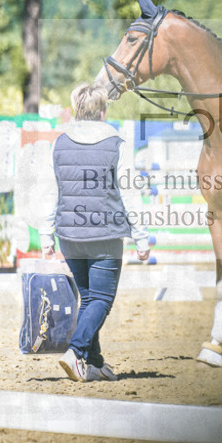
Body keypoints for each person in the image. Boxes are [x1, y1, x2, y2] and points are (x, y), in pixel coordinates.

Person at [40, 83, 149, 382]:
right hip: (105, 235)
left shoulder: (59, 143)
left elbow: (52, 191)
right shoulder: (117, 143)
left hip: (70, 236)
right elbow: (130, 192)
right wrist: (141, 236)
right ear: (103, 111)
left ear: (77, 110)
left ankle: (95, 362)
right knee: (101, 300)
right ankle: (75, 352)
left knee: (87, 300)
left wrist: (45, 235)